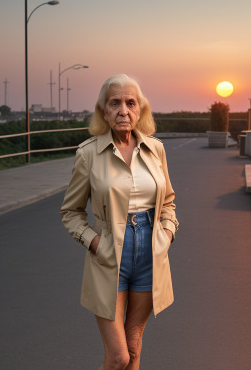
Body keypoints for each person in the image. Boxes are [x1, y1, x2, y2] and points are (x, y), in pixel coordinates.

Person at [60, 74, 179, 370]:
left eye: (130, 103)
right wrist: (94, 242)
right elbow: (71, 212)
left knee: (135, 349)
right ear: (103, 110)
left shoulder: (156, 149)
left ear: (140, 110)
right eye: (115, 103)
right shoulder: (88, 154)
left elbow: (168, 203)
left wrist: (167, 231)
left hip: (150, 252)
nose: (123, 110)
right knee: (118, 357)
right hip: (109, 255)